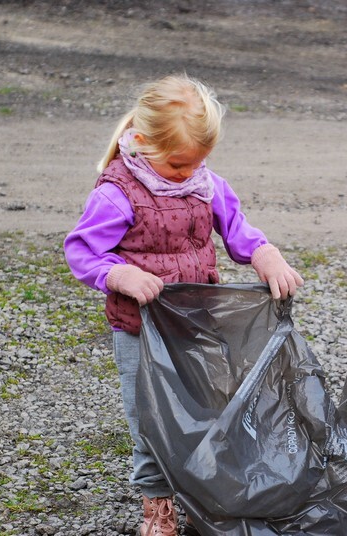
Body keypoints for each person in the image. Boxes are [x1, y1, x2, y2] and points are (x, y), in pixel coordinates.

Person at [64, 74, 304, 535]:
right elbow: (81, 250)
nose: (189, 173)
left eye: (199, 162)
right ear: (144, 143)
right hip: (141, 330)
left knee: (205, 410)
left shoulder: (202, 182)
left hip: (196, 325)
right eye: (179, 164)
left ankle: (199, 493)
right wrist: (119, 274)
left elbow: (236, 227)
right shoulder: (118, 192)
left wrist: (264, 254)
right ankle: (158, 507)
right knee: (150, 419)